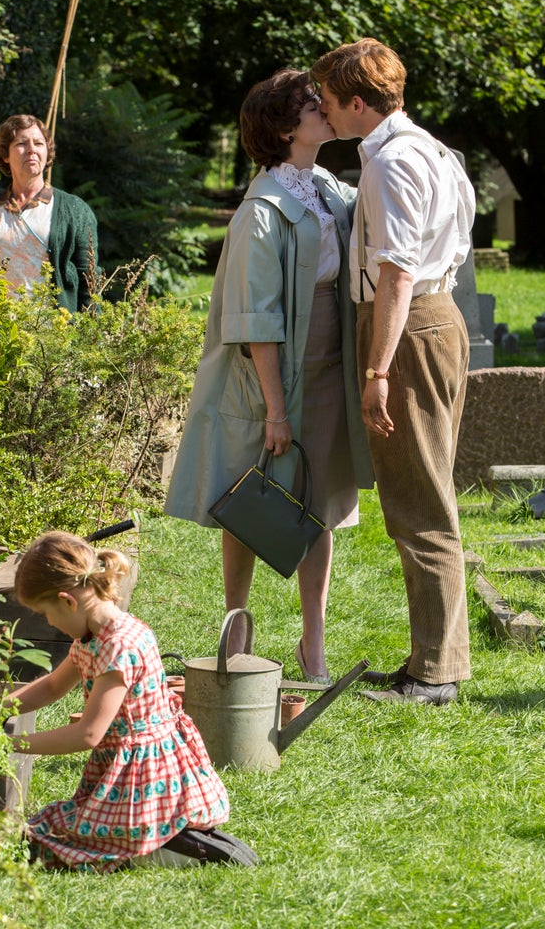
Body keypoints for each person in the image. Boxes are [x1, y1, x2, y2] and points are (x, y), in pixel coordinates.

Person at [164, 69, 373, 683]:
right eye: (314, 104)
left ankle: (314, 645)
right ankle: (236, 632)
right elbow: (257, 321)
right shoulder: (260, 210)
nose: (326, 108)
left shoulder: (329, 188)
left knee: (323, 501)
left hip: (332, 364)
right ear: (284, 127)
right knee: (254, 501)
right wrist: (275, 411)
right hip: (272, 373)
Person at [310, 38, 476, 706]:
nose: (322, 109)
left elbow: (399, 271)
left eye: (327, 99)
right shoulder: (431, 149)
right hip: (432, 318)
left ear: (356, 102)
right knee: (422, 495)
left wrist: (378, 368)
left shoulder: (391, 162)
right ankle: (433, 662)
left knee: (419, 502)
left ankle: (436, 676)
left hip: (407, 326)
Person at [4, 530, 257, 870]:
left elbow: (88, 734)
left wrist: (12, 745)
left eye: (45, 613)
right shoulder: (97, 635)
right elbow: (52, 687)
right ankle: (167, 835)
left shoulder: (116, 647)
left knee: (48, 839)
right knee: (48, 826)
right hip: (141, 771)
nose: (49, 623)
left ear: (68, 601)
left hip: (144, 778)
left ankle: (170, 848)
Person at [0, 114, 98, 313]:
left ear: (47, 152)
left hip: (56, 336)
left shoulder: (75, 211)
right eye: (21, 143)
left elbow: (90, 280)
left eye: (38, 143)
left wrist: (93, 336)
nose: (31, 150)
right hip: (0, 334)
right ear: (5, 155)